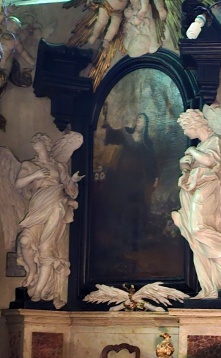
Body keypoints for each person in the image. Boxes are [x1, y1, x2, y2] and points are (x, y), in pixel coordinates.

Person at [170, 107, 221, 298]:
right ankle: (216, 284)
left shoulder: (216, 141)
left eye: (185, 128)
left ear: (194, 125)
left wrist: (192, 151)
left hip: (212, 188)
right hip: (199, 188)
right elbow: (193, 166)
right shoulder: (203, 145)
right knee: (197, 238)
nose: (185, 133)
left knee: (198, 229)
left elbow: (210, 161)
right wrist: (185, 165)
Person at [14, 133, 84, 307]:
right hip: (38, 205)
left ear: (46, 144)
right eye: (33, 143)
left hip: (56, 205)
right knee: (24, 241)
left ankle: (38, 291)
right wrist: (35, 175)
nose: (34, 145)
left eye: (37, 142)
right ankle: (32, 271)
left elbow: (68, 187)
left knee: (46, 249)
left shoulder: (58, 166)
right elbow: (18, 184)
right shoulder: (29, 165)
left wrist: (73, 180)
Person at [100, 110, 157, 246]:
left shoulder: (146, 143)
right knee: (121, 204)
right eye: (138, 118)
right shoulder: (126, 134)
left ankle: (134, 239)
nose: (139, 120)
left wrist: (154, 177)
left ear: (145, 124)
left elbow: (151, 161)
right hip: (122, 176)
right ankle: (118, 237)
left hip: (136, 179)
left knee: (137, 207)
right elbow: (113, 135)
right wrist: (107, 127)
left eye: (142, 119)